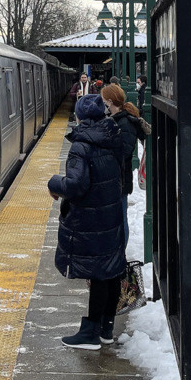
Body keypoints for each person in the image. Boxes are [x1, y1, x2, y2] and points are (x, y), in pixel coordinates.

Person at [48, 93, 126, 349]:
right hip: (110, 211)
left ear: (80, 116)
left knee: (98, 272)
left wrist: (54, 182)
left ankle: (90, 333)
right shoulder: (112, 136)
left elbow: (76, 185)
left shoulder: (81, 145)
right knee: (110, 271)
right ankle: (105, 329)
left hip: (92, 215)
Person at [101, 83, 150, 247]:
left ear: (109, 101)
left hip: (120, 180)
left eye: (104, 101)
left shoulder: (125, 123)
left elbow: (123, 152)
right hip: (117, 179)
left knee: (120, 218)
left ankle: (120, 254)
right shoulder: (118, 119)